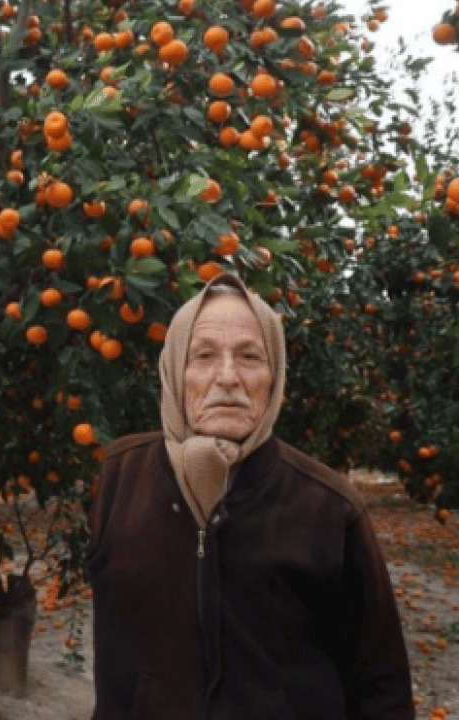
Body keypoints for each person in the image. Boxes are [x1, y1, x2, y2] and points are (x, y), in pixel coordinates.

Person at [86, 272, 414, 720]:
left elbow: (382, 686)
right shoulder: (122, 477)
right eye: (203, 356)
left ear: (274, 375)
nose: (227, 378)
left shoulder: (329, 508)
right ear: (174, 371)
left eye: (249, 356)